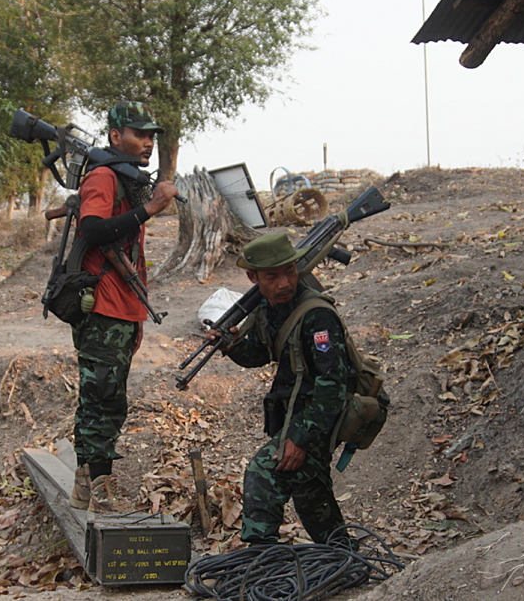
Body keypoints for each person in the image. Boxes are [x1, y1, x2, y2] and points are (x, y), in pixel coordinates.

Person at [67, 101, 179, 513]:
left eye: (152, 136)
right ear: (116, 137)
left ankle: (86, 483)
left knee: (108, 397)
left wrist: (136, 312)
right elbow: (93, 229)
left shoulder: (126, 180)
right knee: (102, 397)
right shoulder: (102, 177)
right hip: (102, 309)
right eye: (140, 134)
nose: (148, 142)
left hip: (123, 308)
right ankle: (100, 485)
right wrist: (152, 207)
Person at [208, 232, 353, 545]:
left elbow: (333, 386)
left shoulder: (317, 316)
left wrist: (300, 439)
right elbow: (262, 353)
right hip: (298, 415)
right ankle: (342, 554)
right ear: (253, 277)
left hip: (318, 417)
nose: (285, 283)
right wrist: (231, 345)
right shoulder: (270, 307)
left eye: (290, 272)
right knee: (311, 493)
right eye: (272, 277)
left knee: (263, 474)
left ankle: (261, 558)